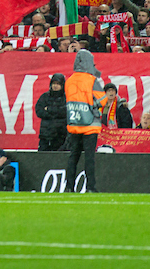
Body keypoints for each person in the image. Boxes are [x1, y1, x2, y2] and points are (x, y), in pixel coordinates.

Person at [64, 49, 108, 193]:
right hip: (90, 126)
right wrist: (93, 105)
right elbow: (103, 100)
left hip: (74, 124)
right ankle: (90, 187)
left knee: (73, 157)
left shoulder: (69, 80)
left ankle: (69, 187)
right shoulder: (91, 80)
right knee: (89, 158)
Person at [34, 73, 67, 151]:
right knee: (42, 159)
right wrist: (56, 113)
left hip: (61, 135)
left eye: (58, 84)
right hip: (46, 136)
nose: (55, 86)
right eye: (54, 83)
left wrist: (49, 109)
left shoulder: (66, 98)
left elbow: (65, 112)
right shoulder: (44, 97)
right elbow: (39, 111)